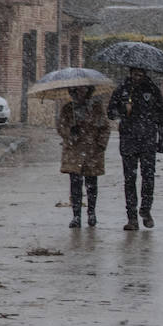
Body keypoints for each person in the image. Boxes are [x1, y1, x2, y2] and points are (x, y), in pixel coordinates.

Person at [107, 68, 163, 230]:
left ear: (145, 74)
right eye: (135, 74)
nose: (137, 77)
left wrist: (162, 141)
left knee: (148, 177)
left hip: (148, 140)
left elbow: (162, 116)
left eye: (140, 74)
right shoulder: (122, 90)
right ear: (130, 73)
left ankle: (146, 210)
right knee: (129, 179)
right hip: (128, 140)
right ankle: (132, 217)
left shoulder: (152, 90)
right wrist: (122, 109)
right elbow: (110, 113)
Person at [57, 86, 111, 228]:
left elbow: (105, 127)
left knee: (91, 184)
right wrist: (70, 132)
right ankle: (76, 216)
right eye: (78, 90)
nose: (81, 93)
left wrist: (100, 144)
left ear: (89, 91)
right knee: (75, 184)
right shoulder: (68, 109)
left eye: (84, 90)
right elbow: (61, 127)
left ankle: (91, 213)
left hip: (92, 151)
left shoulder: (96, 108)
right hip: (74, 151)